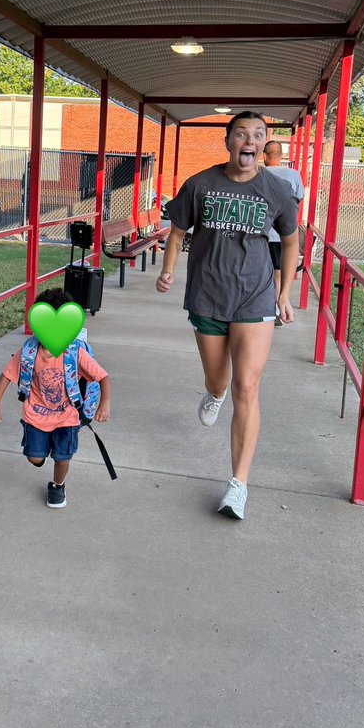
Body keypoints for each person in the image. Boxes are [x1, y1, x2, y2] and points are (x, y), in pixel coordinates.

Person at [156, 111, 299, 521]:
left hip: (255, 300)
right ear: (228, 142)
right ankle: (213, 393)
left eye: (258, 135)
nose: (249, 141)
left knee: (246, 388)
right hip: (207, 295)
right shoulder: (200, 184)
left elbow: (291, 242)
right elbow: (179, 231)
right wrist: (167, 270)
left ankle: (238, 484)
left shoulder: (276, 190)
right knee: (218, 381)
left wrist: (285, 293)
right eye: (241, 134)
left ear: (264, 144)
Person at [0, 287, 111, 509]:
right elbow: (7, 374)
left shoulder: (75, 352)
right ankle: (40, 456)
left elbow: (103, 377)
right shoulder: (29, 351)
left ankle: (57, 485)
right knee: (34, 457)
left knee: (63, 458)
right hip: (36, 414)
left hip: (67, 416)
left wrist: (105, 403)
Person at [262, 140, 305, 325]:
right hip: (284, 234)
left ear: (264, 155)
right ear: (281, 155)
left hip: (261, 232)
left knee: (263, 272)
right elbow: (299, 198)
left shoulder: (258, 173)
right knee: (279, 272)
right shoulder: (293, 175)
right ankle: (278, 307)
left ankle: (265, 307)